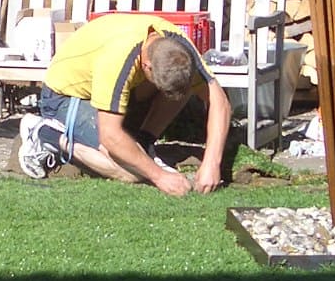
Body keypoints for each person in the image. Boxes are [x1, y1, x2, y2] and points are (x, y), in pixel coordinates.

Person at [17, 13, 232, 196]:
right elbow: (110, 136)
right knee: (130, 172)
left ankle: (143, 142)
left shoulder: (177, 45)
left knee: (183, 86)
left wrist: (212, 163)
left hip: (106, 89)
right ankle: (45, 133)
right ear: (146, 66)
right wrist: (159, 176)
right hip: (64, 96)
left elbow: (219, 101)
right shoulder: (118, 60)